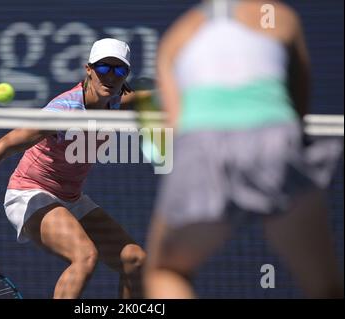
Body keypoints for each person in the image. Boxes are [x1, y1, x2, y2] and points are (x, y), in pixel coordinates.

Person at [144, 0, 343, 298]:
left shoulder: (176, 36)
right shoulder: (283, 18)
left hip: (199, 149)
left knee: (165, 271)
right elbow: (298, 106)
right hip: (274, 140)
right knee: (325, 288)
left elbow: (174, 128)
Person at [0, 38, 146, 299]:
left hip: (71, 198)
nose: (110, 76)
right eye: (103, 68)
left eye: (119, 70)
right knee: (85, 256)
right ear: (89, 70)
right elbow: (5, 144)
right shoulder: (62, 112)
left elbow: (165, 92)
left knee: (135, 259)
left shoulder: (119, 100)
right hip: (30, 193)